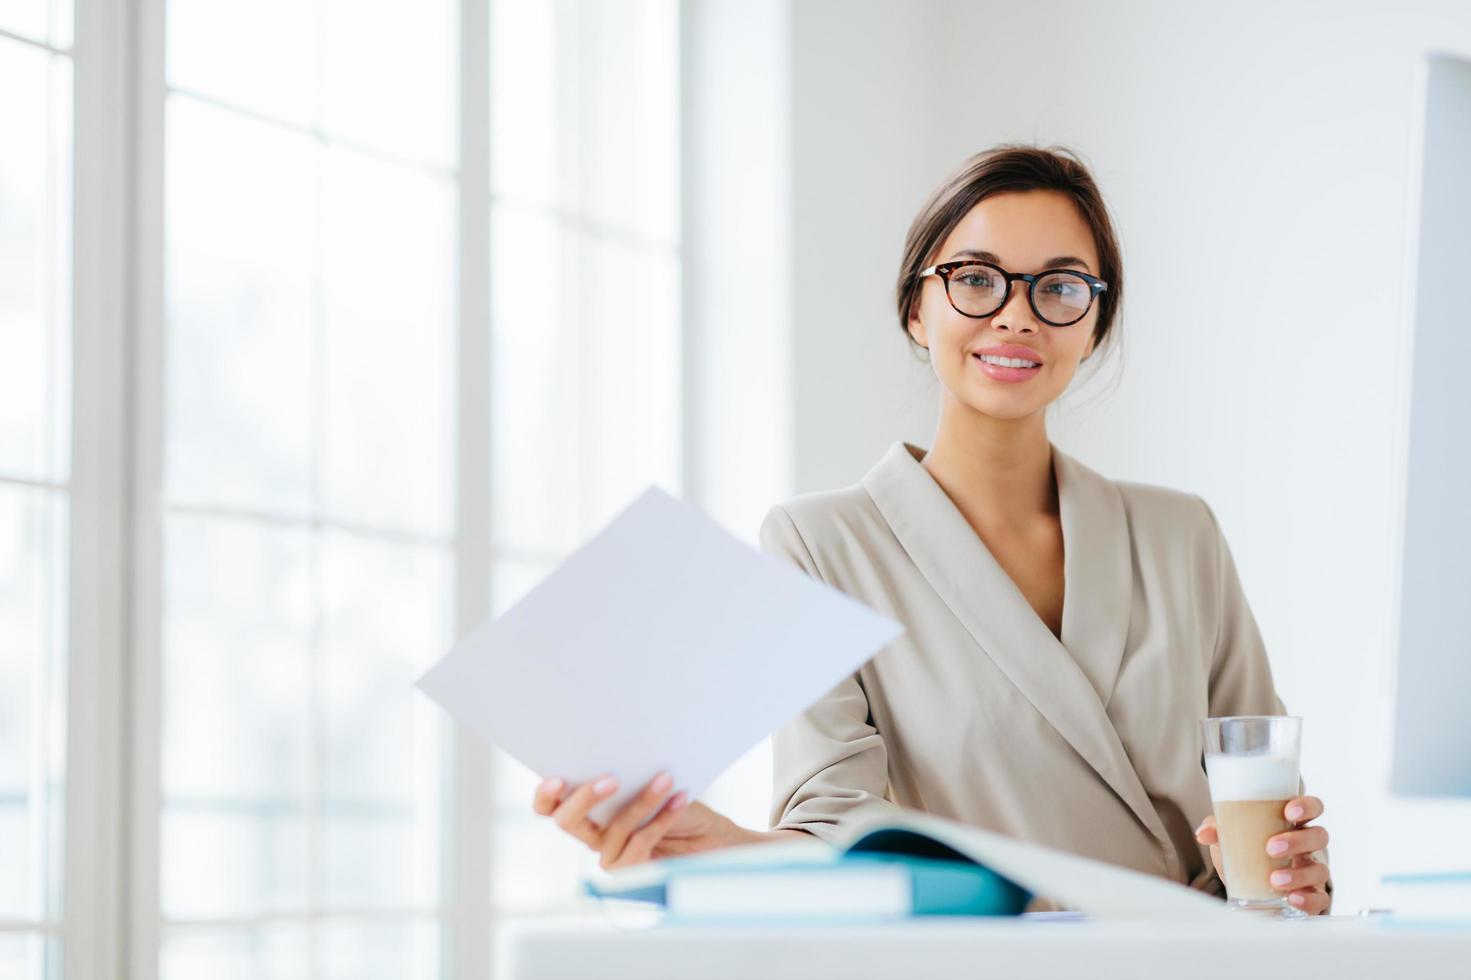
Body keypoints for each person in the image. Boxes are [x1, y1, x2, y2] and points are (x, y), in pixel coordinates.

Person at [530, 144, 1333, 915]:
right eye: (976, 280)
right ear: (917, 309)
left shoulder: (1179, 535)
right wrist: (716, 848)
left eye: (1058, 288)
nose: (1016, 316)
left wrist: (1282, 872)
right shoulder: (820, 544)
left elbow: (1260, 802)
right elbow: (836, 826)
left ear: (1093, 323)